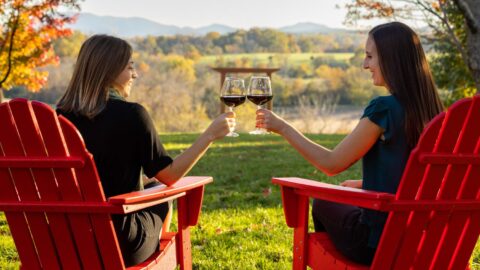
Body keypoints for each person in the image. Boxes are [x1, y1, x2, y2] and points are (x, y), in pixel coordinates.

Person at [255, 22, 444, 265]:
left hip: (377, 244)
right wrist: (364, 184)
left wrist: (283, 127)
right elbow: (417, 179)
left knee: (323, 201)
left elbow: (331, 164)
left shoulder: (384, 109)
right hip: (423, 240)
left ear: (391, 59)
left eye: (369, 56)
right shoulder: (435, 113)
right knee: (343, 195)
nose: (365, 65)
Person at [56, 34, 234, 266]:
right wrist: (210, 135)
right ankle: (156, 263)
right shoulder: (132, 115)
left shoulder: (59, 117)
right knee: (164, 195)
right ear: (109, 70)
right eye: (130, 67)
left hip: (66, 241)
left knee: (152, 185)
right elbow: (169, 175)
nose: (135, 74)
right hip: (120, 244)